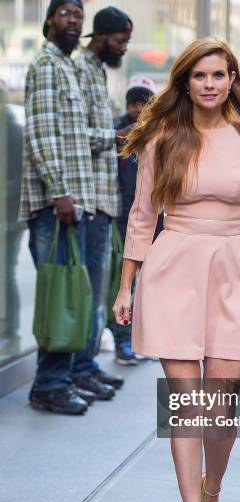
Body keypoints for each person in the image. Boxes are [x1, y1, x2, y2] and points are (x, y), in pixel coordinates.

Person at [113, 38, 240, 502]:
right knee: (187, 406)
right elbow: (143, 216)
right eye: (199, 75)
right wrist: (127, 286)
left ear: (232, 80)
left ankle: (213, 490)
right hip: (171, 271)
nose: (210, 84)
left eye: (220, 74)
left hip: (232, 271)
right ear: (185, 82)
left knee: (221, 401)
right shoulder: (163, 137)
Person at [19, 0, 97, 415]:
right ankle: (48, 384)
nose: (73, 21)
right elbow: (42, 134)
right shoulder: (47, 65)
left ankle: (58, 379)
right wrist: (61, 192)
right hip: (56, 205)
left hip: (71, 203)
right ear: (50, 19)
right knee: (59, 296)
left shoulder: (66, 66)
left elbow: (73, 132)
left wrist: (113, 134)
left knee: (70, 295)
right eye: (66, 13)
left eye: (79, 15)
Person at [72, 6, 133, 399]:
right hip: (86, 200)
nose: (124, 47)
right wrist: (115, 136)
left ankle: (87, 366)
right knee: (88, 293)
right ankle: (77, 370)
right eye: (120, 40)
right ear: (101, 35)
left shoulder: (97, 71)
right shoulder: (79, 69)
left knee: (98, 293)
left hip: (103, 200)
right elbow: (74, 132)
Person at [109, 77, 162, 365]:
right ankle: (123, 342)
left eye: (145, 102)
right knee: (125, 281)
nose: (138, 108)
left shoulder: (162, 130)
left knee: (152, 282)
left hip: (158, 218)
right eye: (134, 102)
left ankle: (148, 340)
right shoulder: (119, 130)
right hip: (124, 217)